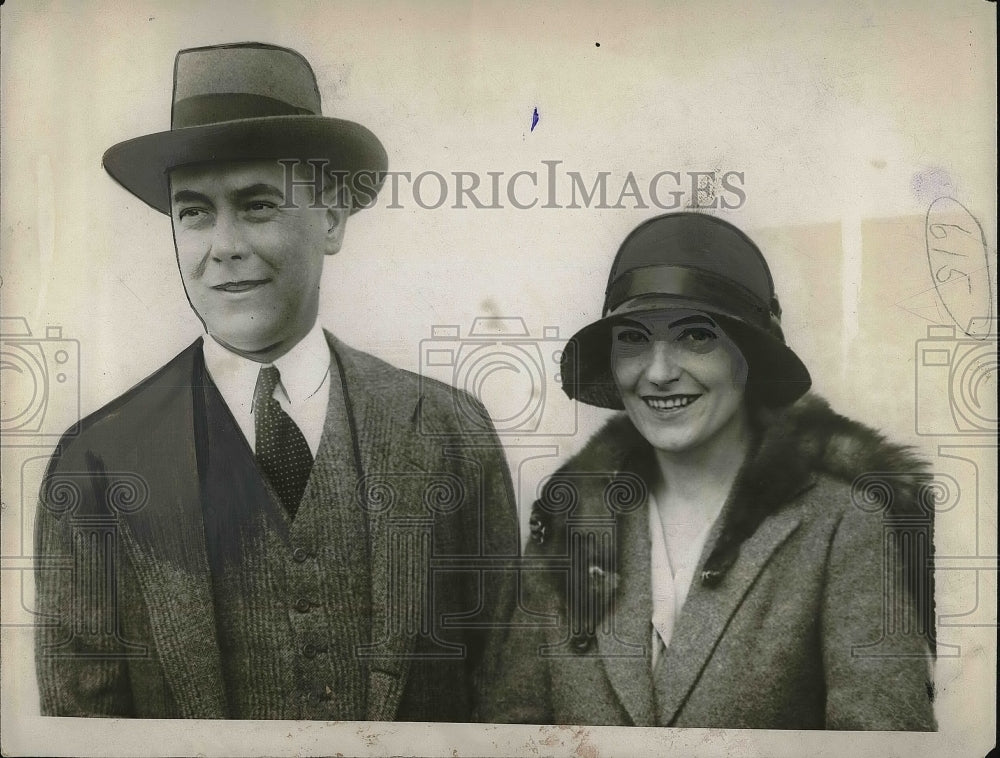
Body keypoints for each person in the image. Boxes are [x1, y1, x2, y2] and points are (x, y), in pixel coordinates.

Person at [34, 42, 518, 721]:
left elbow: (510, 704)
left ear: (331, 219)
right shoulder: (97, 463)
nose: (223, 245)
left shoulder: (450, 433)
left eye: (258, 205)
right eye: (194, 212)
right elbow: (82, 730)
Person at [479, 212, 936, 729]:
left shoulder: (843, 527)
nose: (657, 372)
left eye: (695, 336)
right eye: (631, 338)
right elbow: (511, 730)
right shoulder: (567, 522)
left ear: (750, 357)